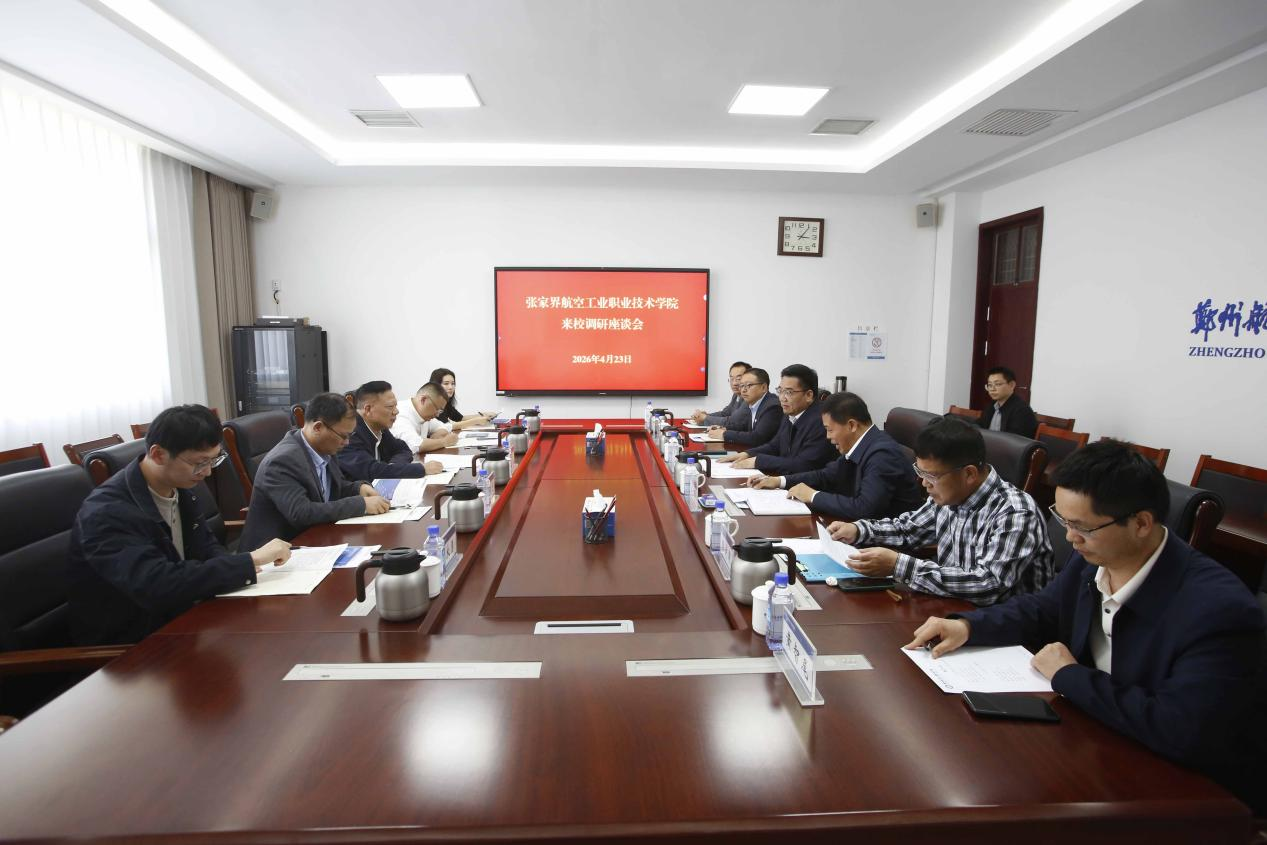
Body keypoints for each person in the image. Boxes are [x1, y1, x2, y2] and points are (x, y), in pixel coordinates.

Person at [905, 441, 1266, 814]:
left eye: (1081, 527)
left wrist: (1069, 676)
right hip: (1098, 741)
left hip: (1188, 795)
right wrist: (968, 626)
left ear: (1141, 523)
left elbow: (1180, 730)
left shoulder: (1217, 611)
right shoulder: (1094, 559)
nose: (1069, 538)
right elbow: (1041, 610)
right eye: (1063, 520)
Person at [68, 404, 292, 645]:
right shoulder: (107, 512)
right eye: (200, 462)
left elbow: (207, 548)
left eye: (214, 460)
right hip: (133, 643)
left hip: (185, 615)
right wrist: (248, 561)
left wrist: (238, 569)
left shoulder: (179, 487)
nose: (207, 472)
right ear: (158, 454)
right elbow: (157, 585)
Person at [828, 415, 1052, 605]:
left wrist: (899, 565)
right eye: (920, 472)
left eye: (932, 476)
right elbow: (909, 529)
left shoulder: (1015, 512)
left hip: (1006, 628)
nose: (924, 483)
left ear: (969, 474)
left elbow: (988, 584)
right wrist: (859, 530)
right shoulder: (950, 495)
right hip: (953, 606)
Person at [239, 392, 391, 549]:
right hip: (276, 552)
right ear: (318, 427)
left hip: (315, 538)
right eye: (343, 436)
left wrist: (358, 488)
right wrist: (361, 504)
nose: (346, 442)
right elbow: (301, 513)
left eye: (349, 436)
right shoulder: (282, 461)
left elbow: (332, 489)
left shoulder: (324, 446)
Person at [748, 391, 926, 520]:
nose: (828, 437)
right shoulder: (862, 444)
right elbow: (826, 475)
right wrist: (779, 481)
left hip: (887, 543)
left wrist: (813, 496)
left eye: (830, 430)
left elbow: (865, 508)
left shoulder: (882, 455)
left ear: (852, 425)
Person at [718, 364, 836, 475]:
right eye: (780, 391)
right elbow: (775, 445)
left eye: (789, 392)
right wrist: (747, 454)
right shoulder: (790, 412)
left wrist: (758, 461)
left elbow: (804, 465)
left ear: (809, 395)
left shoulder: (821, 421)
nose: (782, 398)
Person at [337, 380, 443, 480]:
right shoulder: (349, 433)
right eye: (390, 407)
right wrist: (421, 469)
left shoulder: (379, 427)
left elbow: (403, 449)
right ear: (368, 409)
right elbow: (371, 471)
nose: (396, 411)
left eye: (395, 406)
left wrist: (393, 466)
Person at [705, 367, 780, 448]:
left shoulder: (772, 407)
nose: (743, 390)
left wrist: (724, 434)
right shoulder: (753, 403)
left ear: (764, 387)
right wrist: (724, 428)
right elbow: (744, 427)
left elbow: (757, 438)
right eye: (742, 385)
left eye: (749, 385)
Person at [391, 382, 457, 455]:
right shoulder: (400, 414)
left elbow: (444, 427)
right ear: (423, 399)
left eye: (440, 411)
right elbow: (416, 446)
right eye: (437, 409)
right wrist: (444, 441)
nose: (437, 415)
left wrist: (436, 437)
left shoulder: (424, 415)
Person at [977, 365, 1038, 437]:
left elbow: (1013, 439)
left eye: (997, 384)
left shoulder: (1022, 410)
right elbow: (979, 425)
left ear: (1012, 385)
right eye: (990, 385)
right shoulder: (992, 405)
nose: (992, 389)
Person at [430, 367, 494, 431]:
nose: (451, 387)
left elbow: (460, 418)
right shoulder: (433, 404)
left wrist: (482, 415)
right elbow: (447, 427)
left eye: (453, 383)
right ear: (436, 386)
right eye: (446, 383)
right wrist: (475, 421)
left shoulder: (446, 403)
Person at [689, 361, 751, 426]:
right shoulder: (736, 395)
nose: (734, 383)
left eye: (738, 379)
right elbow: (725, 413)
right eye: (732, 379)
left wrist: (705, 418)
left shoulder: (750, 397)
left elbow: (732, 422)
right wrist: (704, 416)